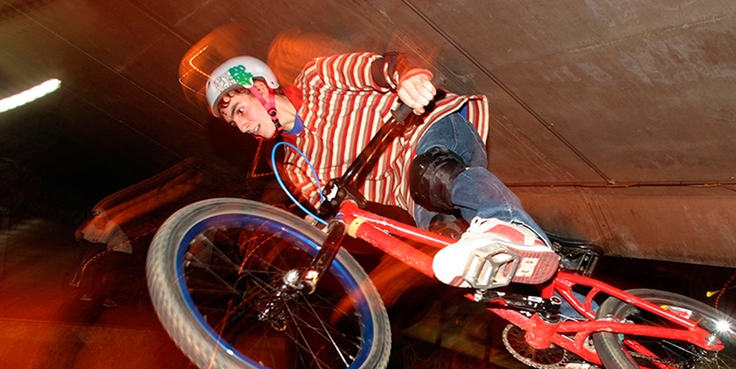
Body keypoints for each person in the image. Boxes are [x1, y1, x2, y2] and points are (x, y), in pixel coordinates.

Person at [204, 52, 558, 289]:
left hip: (432, 131)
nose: (241, 126)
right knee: (453, 252)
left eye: (239, 110)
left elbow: (386, 65)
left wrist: (409, 77)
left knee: (431, 174)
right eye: (232, 121)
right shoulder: (295, 165)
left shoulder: (318, 80)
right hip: (415, 195)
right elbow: (334, 214)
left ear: (261, 89)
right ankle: (564, 326)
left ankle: (514, 227)